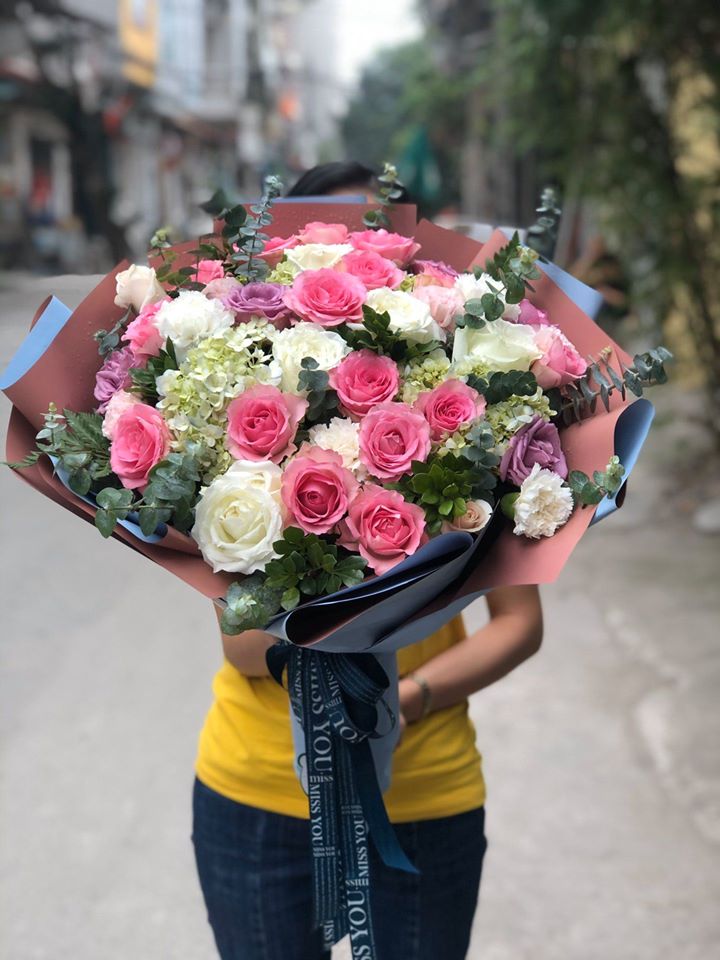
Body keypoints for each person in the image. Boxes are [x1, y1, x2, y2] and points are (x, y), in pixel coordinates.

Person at [191, 162, 544, 960]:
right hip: (257, 798)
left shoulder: (478, 421)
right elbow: (245, 649)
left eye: (376, 241)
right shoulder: (240, 425)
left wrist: (406, 697)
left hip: (426, 795)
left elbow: (519, 623)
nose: (352, 257)